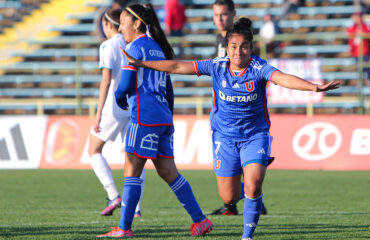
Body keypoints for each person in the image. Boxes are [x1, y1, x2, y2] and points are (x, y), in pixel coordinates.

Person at [120, 17, 340, 239]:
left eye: (244, 46)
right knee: (229, 197)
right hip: (224, 138)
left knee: (253, 186)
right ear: (227, 48)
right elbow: (177, 66)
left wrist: (314, 88)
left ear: (251, 48)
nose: (238, 52)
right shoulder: (217, 66)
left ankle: (247, 234)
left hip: (255, 135)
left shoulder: (258, 68)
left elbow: (282, 78)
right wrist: (142, 63)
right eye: (233, 47)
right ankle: (249, 175)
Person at [96, 3, 213, 238]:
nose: (120, 30)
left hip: (144, 117)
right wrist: (166, 114)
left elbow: (125, 85)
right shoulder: (157, 48)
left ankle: (124, 228)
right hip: (163, 118)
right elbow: (169, 88)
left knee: (132, 170)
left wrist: (119, 100)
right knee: (169, 171)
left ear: (137, 24)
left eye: (124, 24)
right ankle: (200, 220)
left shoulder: (134, 48)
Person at [212, 0, 268, 216]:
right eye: (216, 14)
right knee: (228, 179)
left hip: (246, 107)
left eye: (224, 15)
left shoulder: (243, 41)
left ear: (233, 14)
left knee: (247, 156)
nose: (220, 19)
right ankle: (232, 202)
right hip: (223, 107)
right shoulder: (221, 39)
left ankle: (251, 197)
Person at [88, 8, 145, 218]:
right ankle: (136, 207)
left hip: (114, 106)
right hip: (133, 104)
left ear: (107, 25)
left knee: (93, 149)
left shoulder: (107, 45)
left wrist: (98, 113)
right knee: (134, 155)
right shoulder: (132, 42)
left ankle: (114, 195)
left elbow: (105, 81)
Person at [347, 12, 370, 86]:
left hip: (365, 51)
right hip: (356, 52)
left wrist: (362, 33)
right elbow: (349, 34)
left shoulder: (366, 26)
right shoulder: (353, 27)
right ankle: (360, 86)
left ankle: (369, 84)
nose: (357, 19)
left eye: (359, 17)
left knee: (366, 68)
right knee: (359, 70)